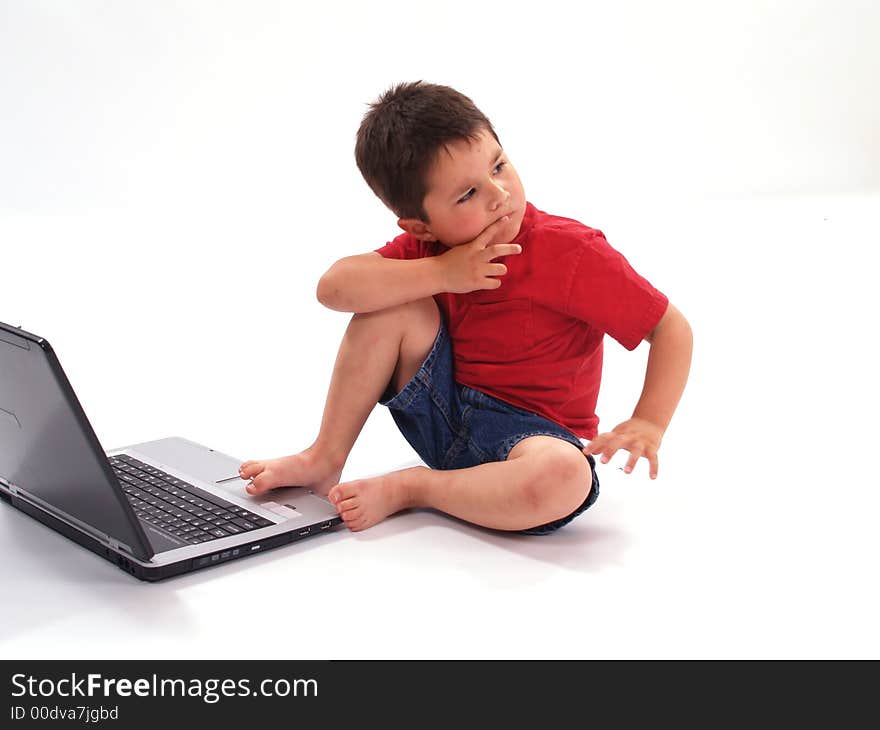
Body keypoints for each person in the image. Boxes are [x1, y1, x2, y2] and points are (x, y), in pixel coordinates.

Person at [239, 81, 693, 535]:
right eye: (467, 194)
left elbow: (670, 327)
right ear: (421, 225)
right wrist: (443, 273)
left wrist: (648, 421)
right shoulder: (429, 252)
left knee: (566, 476)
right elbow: (333, 288)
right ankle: (324, 459)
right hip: (442, 414)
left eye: (499, 166)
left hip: (532, 440)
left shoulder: (570, 252)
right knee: (390, 304)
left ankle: (416, 488)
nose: (499, 194)